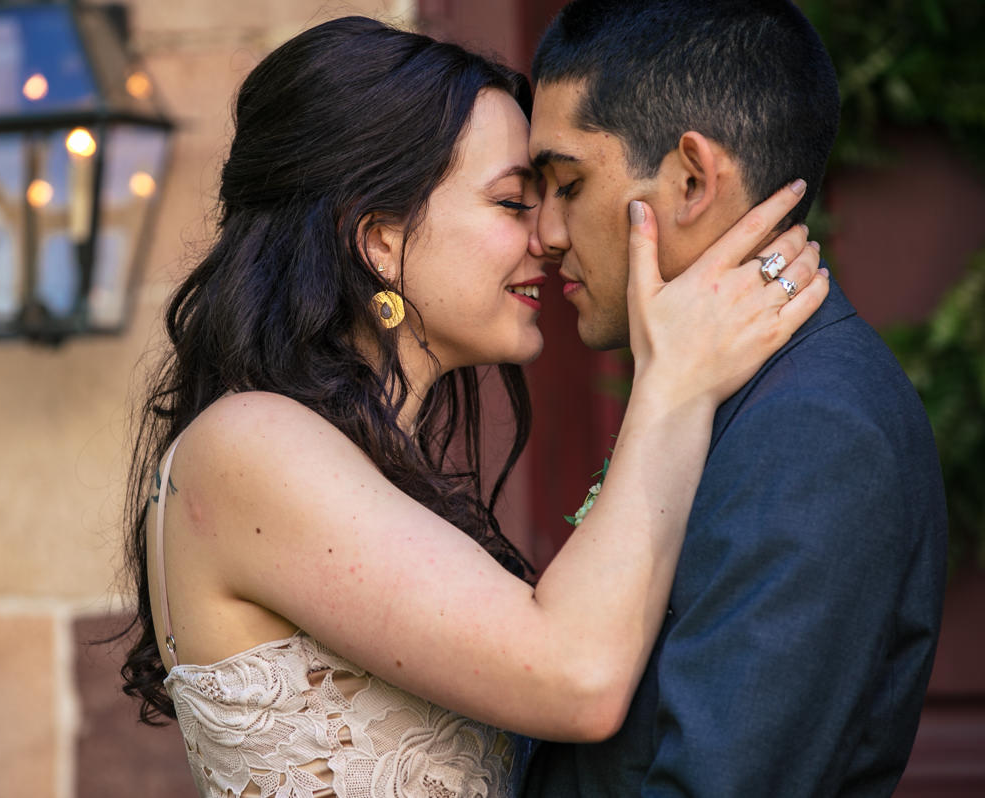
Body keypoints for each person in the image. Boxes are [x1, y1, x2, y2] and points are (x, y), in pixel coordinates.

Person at [118, 16, 826, 798]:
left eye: (557, 196)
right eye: (513, 203)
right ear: (380, 240)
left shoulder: (353, 459)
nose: (549, 236)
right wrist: (674, 379)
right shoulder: (249, 444)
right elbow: (578, 677)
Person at [522, 2, 947, 796]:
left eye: (567, 184)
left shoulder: (815, 430)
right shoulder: (713, 388)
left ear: (691, 179)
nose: (542, 233)